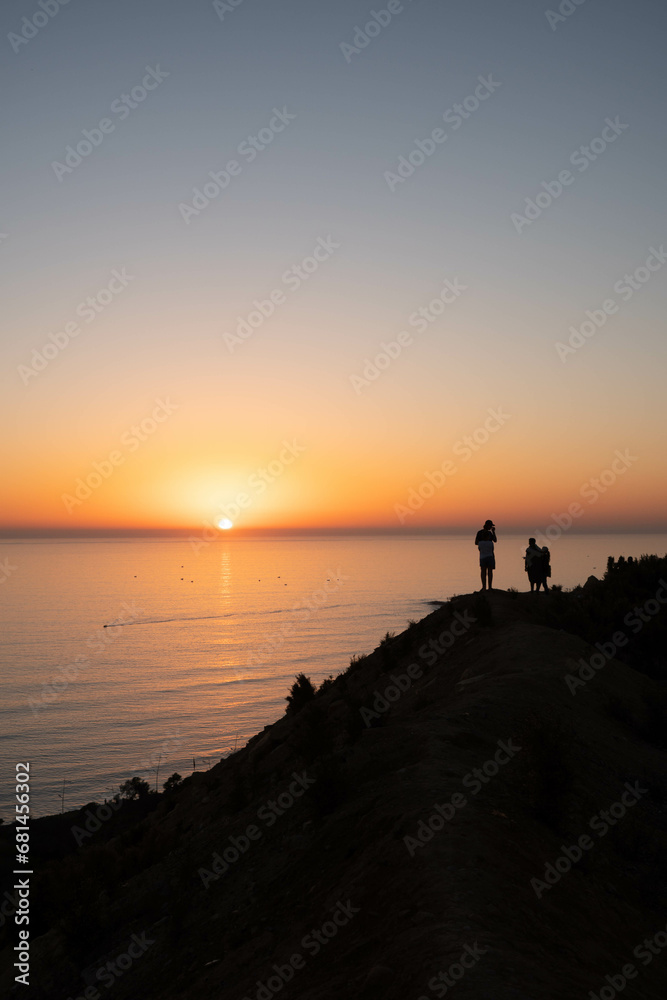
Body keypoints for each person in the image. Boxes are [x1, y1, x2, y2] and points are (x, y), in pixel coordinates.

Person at [475, 519, 497, 591]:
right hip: (488, 554)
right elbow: (495, 541)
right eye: (490, 526)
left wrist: (493, 532)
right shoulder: (482, 533)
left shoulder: (488, 533)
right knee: (488, 571)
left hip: (483, 555)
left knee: (484, 571)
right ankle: (488, 587)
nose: (491, 527)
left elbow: (495, 540)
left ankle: (485, 587)